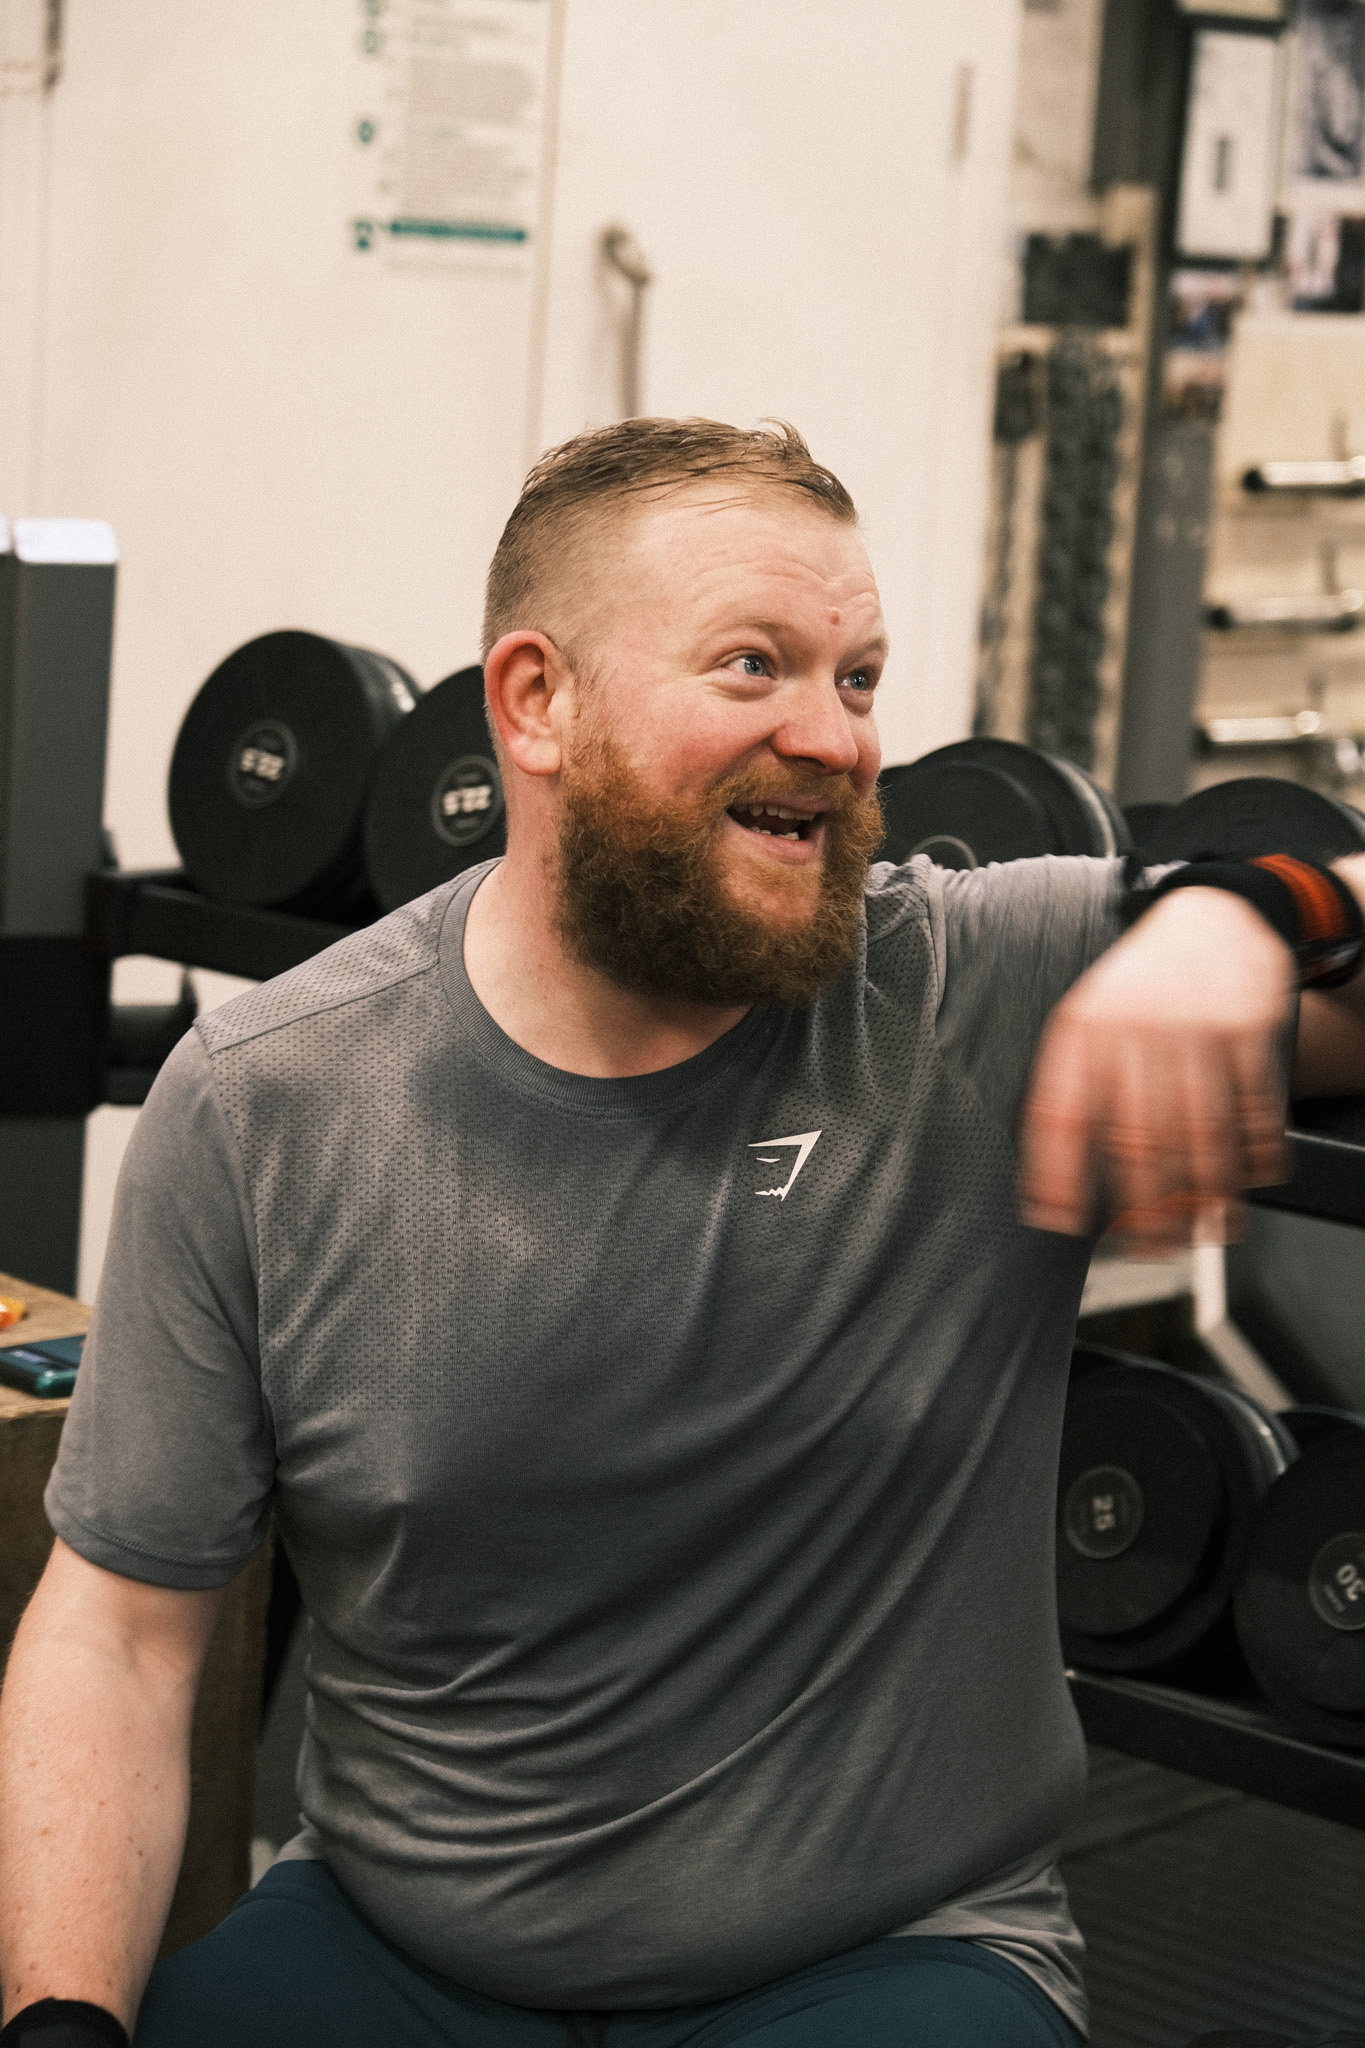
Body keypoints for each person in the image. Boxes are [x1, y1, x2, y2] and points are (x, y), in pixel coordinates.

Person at [3, 419, 1364, 2048]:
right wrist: (61, 2022)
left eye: (857, 678)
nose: (838, 737)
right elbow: (126, 1634)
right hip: (393, 1948)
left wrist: (1245, 912)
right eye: (752, 666)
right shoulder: (262, 1101)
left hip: (881, 1961)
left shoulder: (959, 983)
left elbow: (1317, 910)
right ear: (535, 704)